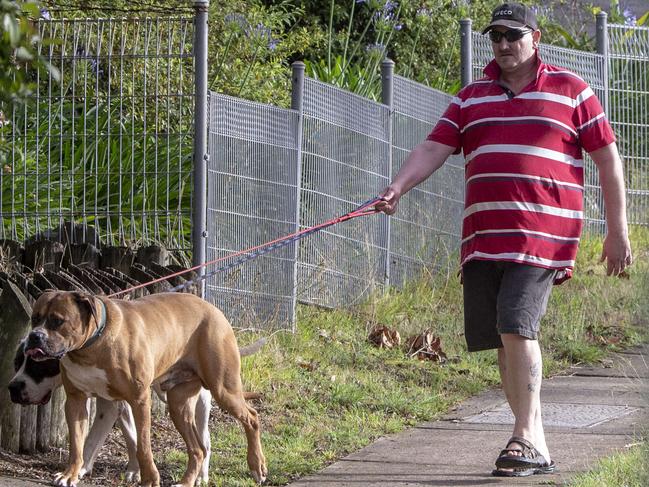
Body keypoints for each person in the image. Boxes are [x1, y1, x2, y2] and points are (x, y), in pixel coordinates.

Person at [376, 2, 632, 478]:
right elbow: (435, 145)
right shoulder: (471, 96)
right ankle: (532, 437)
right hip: (483, 237)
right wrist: (397, 187)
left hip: (542, 234)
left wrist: (617, 232)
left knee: (517, 325)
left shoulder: (572, 90)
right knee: (502, 337)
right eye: (495, 36)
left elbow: (607, 160)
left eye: (513, 35)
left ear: (536, 39)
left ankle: (525, 435)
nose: (503, 44)